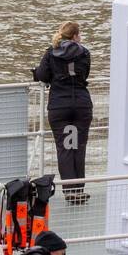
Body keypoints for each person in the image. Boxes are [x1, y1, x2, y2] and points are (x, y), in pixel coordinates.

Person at [33, 21, 93, 204]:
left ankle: (70, 190)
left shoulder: (51, 53)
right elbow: (85, 74)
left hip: (60, 107)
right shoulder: (85, 53)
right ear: (75, 36)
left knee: (65, 147)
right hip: (81, 105)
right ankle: (78, 188)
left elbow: (43, 75)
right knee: (78, 146)